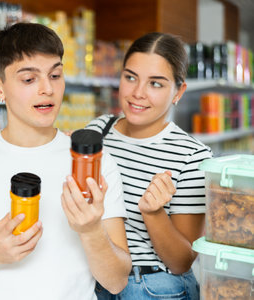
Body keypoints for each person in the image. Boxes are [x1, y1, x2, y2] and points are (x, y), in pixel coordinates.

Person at [0, 22, 132, 300]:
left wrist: (91, 230)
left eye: (55, 75)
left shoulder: (93, 164)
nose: (47, 89)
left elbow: (117, 281)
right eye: (29, 79)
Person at [86, 32, 213, 300]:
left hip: (151, 288)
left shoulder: (193, 156)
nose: (138, 93)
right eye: (130, 77)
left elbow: (182, 262)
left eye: (156, 84)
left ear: (178, 91)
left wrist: (154, 214)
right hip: (95, 281)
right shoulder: (98, 131)